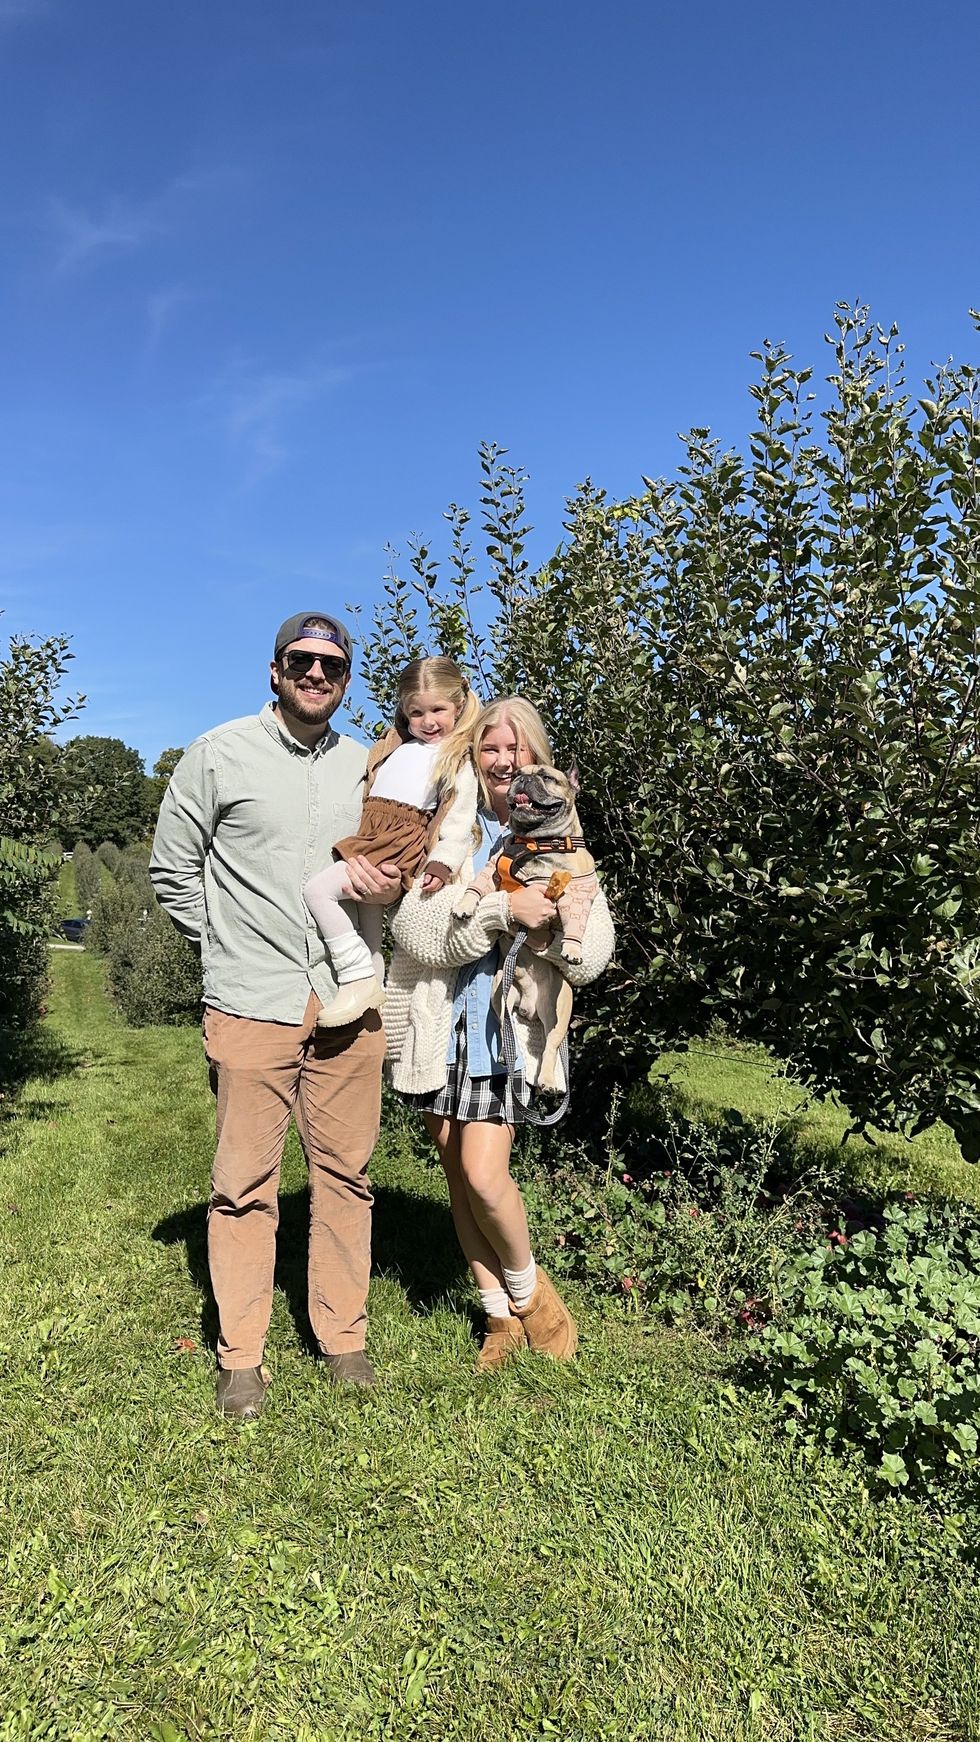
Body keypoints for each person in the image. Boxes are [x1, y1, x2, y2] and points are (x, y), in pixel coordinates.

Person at [150, 611, 401, 1419]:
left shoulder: (369, 766)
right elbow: (172, 869)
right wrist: (225, 944)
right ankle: (243, 1357)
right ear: (275, 669)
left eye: (331, 664)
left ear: (345, 679)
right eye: (302, 660)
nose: (316, 674)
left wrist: (389, 890)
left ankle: (343, 1339)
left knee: (347, 1178)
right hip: (250, 999)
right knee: (243, 1184)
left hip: (348, 1001)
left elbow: (396, 862)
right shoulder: (218, 754)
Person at [382, 697, 615, 1370]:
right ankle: (498, 1319)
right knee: (457, 1175)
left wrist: (547, 927)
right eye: (491, 749)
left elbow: (592, 955)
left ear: (536, 760)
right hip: (435, 1028)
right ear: (473, 754)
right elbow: (415, 932)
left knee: (485, 1178)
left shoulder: (558, 837)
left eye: (517, 751)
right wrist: (498, 910)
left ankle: (533, 1296)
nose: (504, 762)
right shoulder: (447, 827)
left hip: (501, 1035)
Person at [302, 656, 480, 1029]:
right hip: (373, 831)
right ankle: (372, 993)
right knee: (368, 920)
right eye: (416, 712)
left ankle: (354, 977)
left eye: (438, 710)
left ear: (458, 706)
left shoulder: (455, 756)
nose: (428, 722)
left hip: (398, 839)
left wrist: (441, 861)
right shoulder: (395, 746)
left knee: (318, 891)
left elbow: (459, 816)